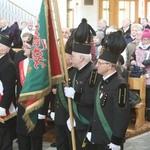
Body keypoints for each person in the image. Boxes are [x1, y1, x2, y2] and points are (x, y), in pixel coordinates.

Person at [91, 30, 131, 150]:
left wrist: (116, 140)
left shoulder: (121, 85)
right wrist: (91, 129)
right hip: (98, 136)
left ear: (109, 66)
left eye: (100, 63)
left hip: (110, 139)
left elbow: (122, 115)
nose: (96, 65)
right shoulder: (101, 80)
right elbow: (96, 110)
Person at [14, 32, 49, 150]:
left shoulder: (41, 66)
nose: (24, 48)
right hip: (22, 105)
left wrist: (43, 112)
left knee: (35, 141)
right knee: (22, 138)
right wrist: (18, 104)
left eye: (27, 47)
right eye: (23, 46)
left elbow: (45, 89)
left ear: (34, 49)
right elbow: (19, 86)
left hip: (36, 107)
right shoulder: (21, 63)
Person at [52, 34, 76, 150]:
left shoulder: (75, 74)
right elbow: (56, 94)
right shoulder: (61, 72)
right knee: (61, 145)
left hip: (70, 116)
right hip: (59, 116)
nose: (60, 57)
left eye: (63, 55)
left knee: (70, 145)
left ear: (72, 58)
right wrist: (53, 110)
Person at [0, 34, 17, 150]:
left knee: (5, 141)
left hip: (4, 109)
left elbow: (9, 88)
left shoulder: (8, 64)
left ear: (5, 49)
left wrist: (3, 106)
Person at [130, 29, 150, 121]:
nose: (145, 41)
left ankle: (148, 114)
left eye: (147, 39)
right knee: (139, 94)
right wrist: (132, 61)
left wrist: (147, 62)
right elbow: (132, 57)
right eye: (144, 39)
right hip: (139, 73)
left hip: (148, 74)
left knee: (148, 95)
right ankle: (138, 116)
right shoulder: (138, 47)